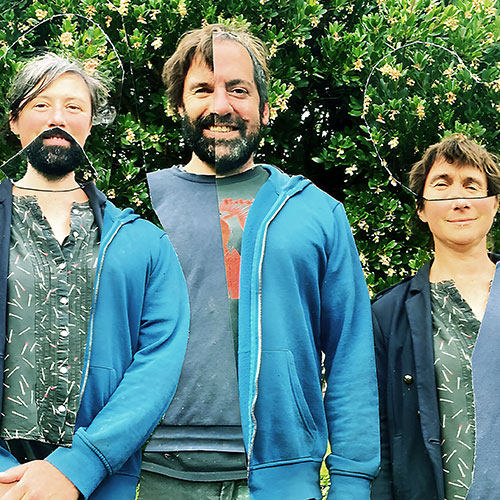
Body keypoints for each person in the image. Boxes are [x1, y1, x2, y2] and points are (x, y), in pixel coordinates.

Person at [140, 23, 379, 500]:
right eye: (202, 89)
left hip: (284, 474)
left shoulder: (317, 213)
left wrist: (352, 481)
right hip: (159, 473)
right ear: (179, 106)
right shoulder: (141, 209)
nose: (221, 105)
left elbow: (351, 352)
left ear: (265, 109)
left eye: (238, 90)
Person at [0, 53, 189, 500]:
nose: (58, 118)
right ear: (14, 120)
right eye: (41, 104)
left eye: (74, 106)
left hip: (100, 483)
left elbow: (158, 363)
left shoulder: (144, 242)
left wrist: (78, 468)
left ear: (90, 123)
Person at [371, 135, 500, 499]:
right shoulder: (387, 315)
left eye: (472, 186)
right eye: (442, 185)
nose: (459, 200)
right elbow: (380, 438)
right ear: (422, 208)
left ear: (494, 203)